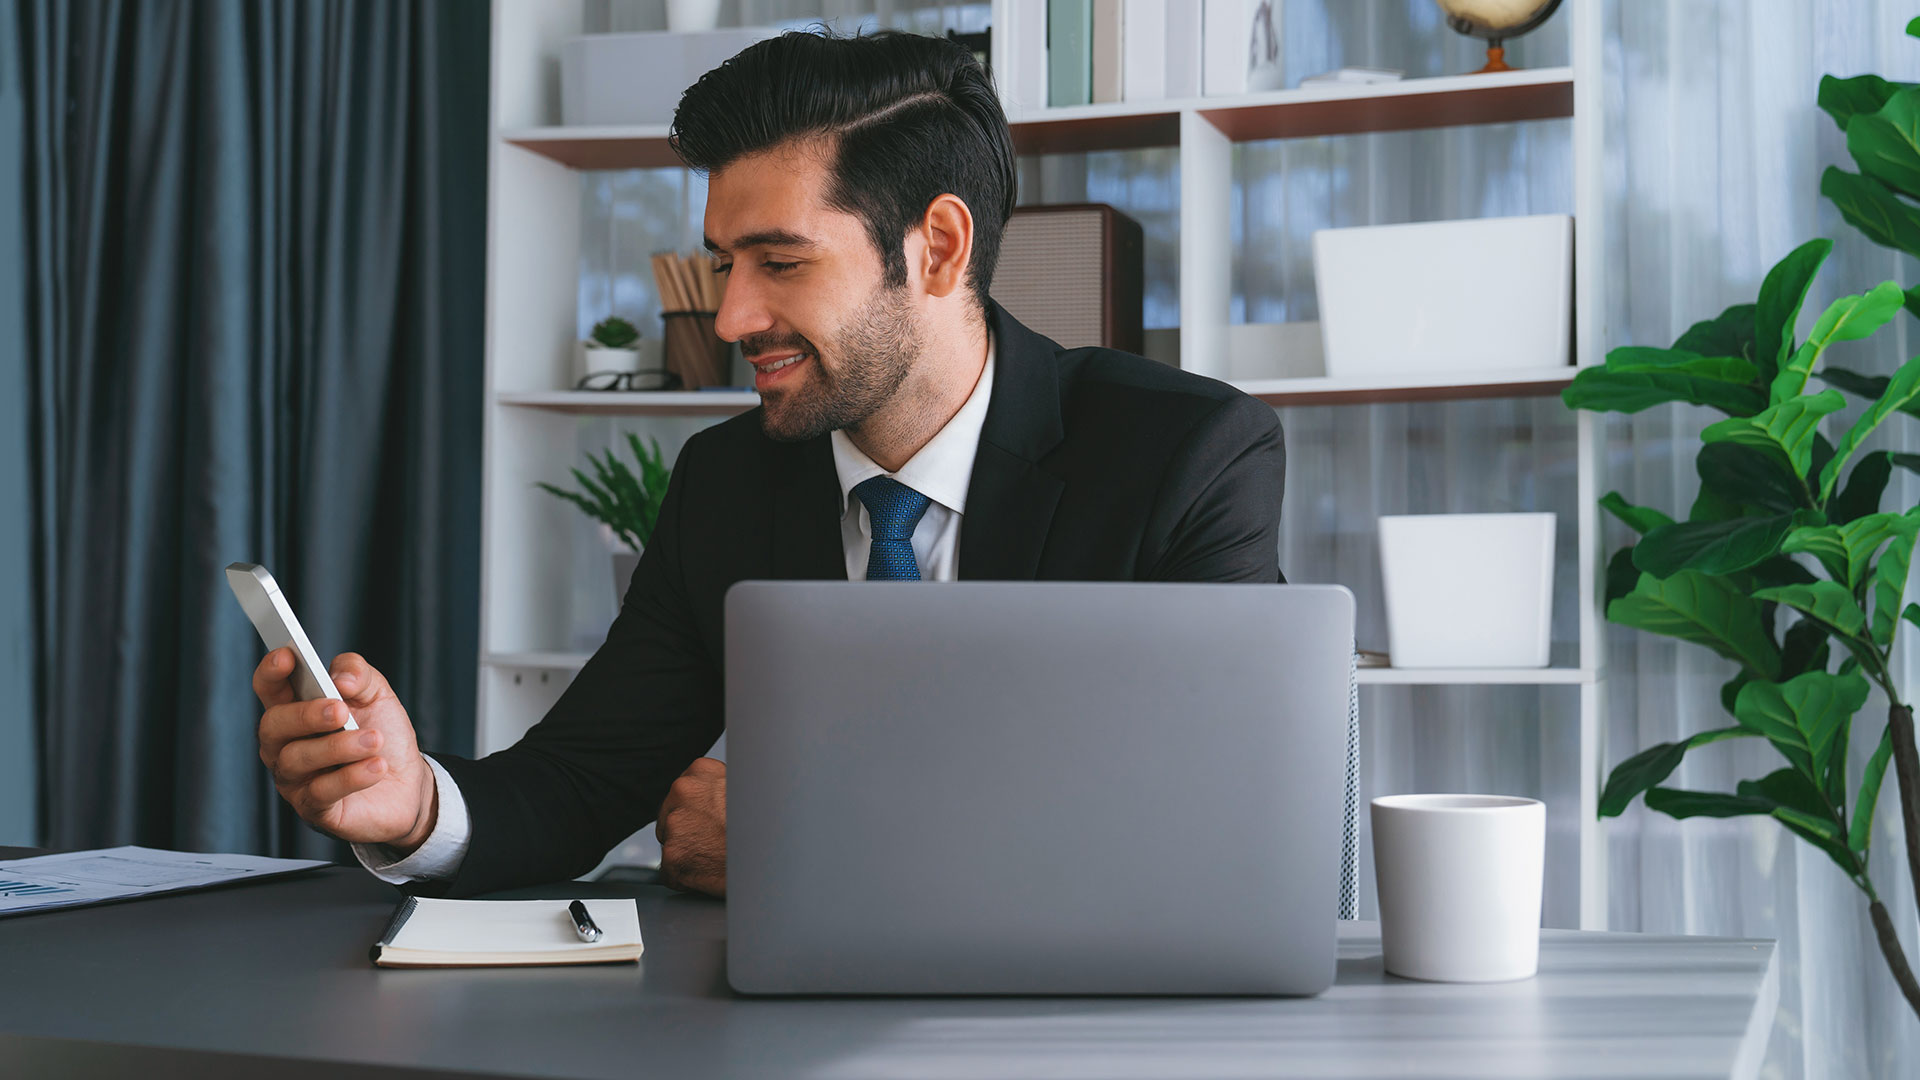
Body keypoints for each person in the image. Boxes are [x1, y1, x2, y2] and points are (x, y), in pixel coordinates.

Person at [251, 29, 1285, 900]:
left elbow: (1221, 824)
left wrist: (813, 844)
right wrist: (415, 805)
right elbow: (579, 783)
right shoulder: (727, 482)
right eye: (724, 265)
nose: (732, 317)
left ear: (937, 248)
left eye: (781, 262)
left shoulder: (1183, 457)